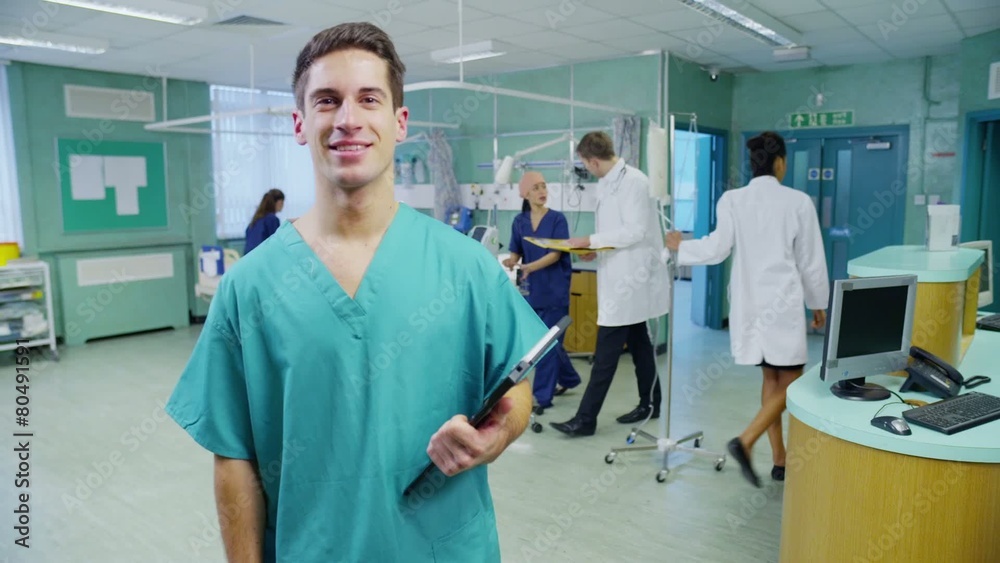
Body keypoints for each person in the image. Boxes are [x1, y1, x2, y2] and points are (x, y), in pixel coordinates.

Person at [165, 22, 548, 562]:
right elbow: (234, 457)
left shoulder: (466, 267)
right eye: (327, 100)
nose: (348, 119)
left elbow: (516, 389)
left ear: (399, 121)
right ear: (300, 123)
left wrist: (498, 435)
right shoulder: (250, 287)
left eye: (369, 98)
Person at [664, 131, 829, 488]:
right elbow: (811, 260)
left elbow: (717, 248)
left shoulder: (732, 199)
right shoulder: (798, 202)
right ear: (781, 163)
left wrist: (682, 247)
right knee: (794, 379)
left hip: (750, 303)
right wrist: (818, 303)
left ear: (752, 164)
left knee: (771, 378)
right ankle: (747, 440)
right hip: (782, 303)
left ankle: (780, 458)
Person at [549, 131, 670, 437]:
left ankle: (585, 419)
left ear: (593, 160)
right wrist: (594, 249)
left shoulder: (635, 182)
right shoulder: (608, 182)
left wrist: (591, 239)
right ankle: (651, 401)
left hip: (632, 279)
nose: (587, 170)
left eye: (586, 165)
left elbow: (635, 231)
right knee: (641, 343)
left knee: (604, 356)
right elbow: (614, 231)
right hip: (618, 274)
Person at [502, 171, 581, 412]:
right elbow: (516, 250)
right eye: (535, 188)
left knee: (546, 346)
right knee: (545, 343)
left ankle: (541, 397)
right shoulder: (519, 222)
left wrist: (529, 267)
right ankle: (569, 378)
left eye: (544, 186)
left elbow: (555, 254)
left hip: (554, 288)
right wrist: (510, 262)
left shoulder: (557, 220)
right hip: (531, 291)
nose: (542, 192)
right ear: (525, 194)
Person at [243, 188, 285, 254]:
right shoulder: (272, 220)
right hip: (261, 258)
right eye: (282, 202)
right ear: (279, 202)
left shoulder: (255, 219)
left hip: (248, 259)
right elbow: (275, 244)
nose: (283, 205)